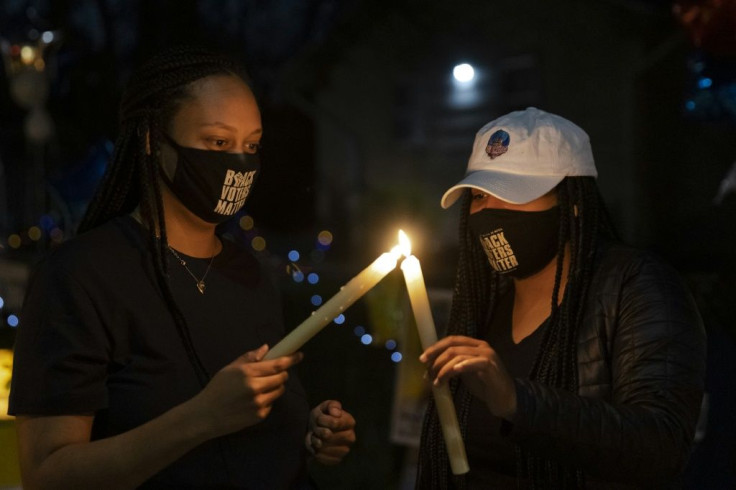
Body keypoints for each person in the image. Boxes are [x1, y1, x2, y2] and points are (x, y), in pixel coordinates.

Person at [8, 46, 355, 489]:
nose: (239, 162)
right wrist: (201, 418)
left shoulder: (249, 273)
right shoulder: (80, 276)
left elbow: (252, 432)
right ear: (153, 138)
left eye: (252, 145)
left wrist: (308, 434)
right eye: (217, 142)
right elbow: (48, 476)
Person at [415, 107, 706, 489]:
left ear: (572, 202)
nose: (490, 211)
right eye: (478, 196)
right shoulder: (483, 304)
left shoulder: (636, 286)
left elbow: (661, 446)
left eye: (512, 193)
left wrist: (519, 402)